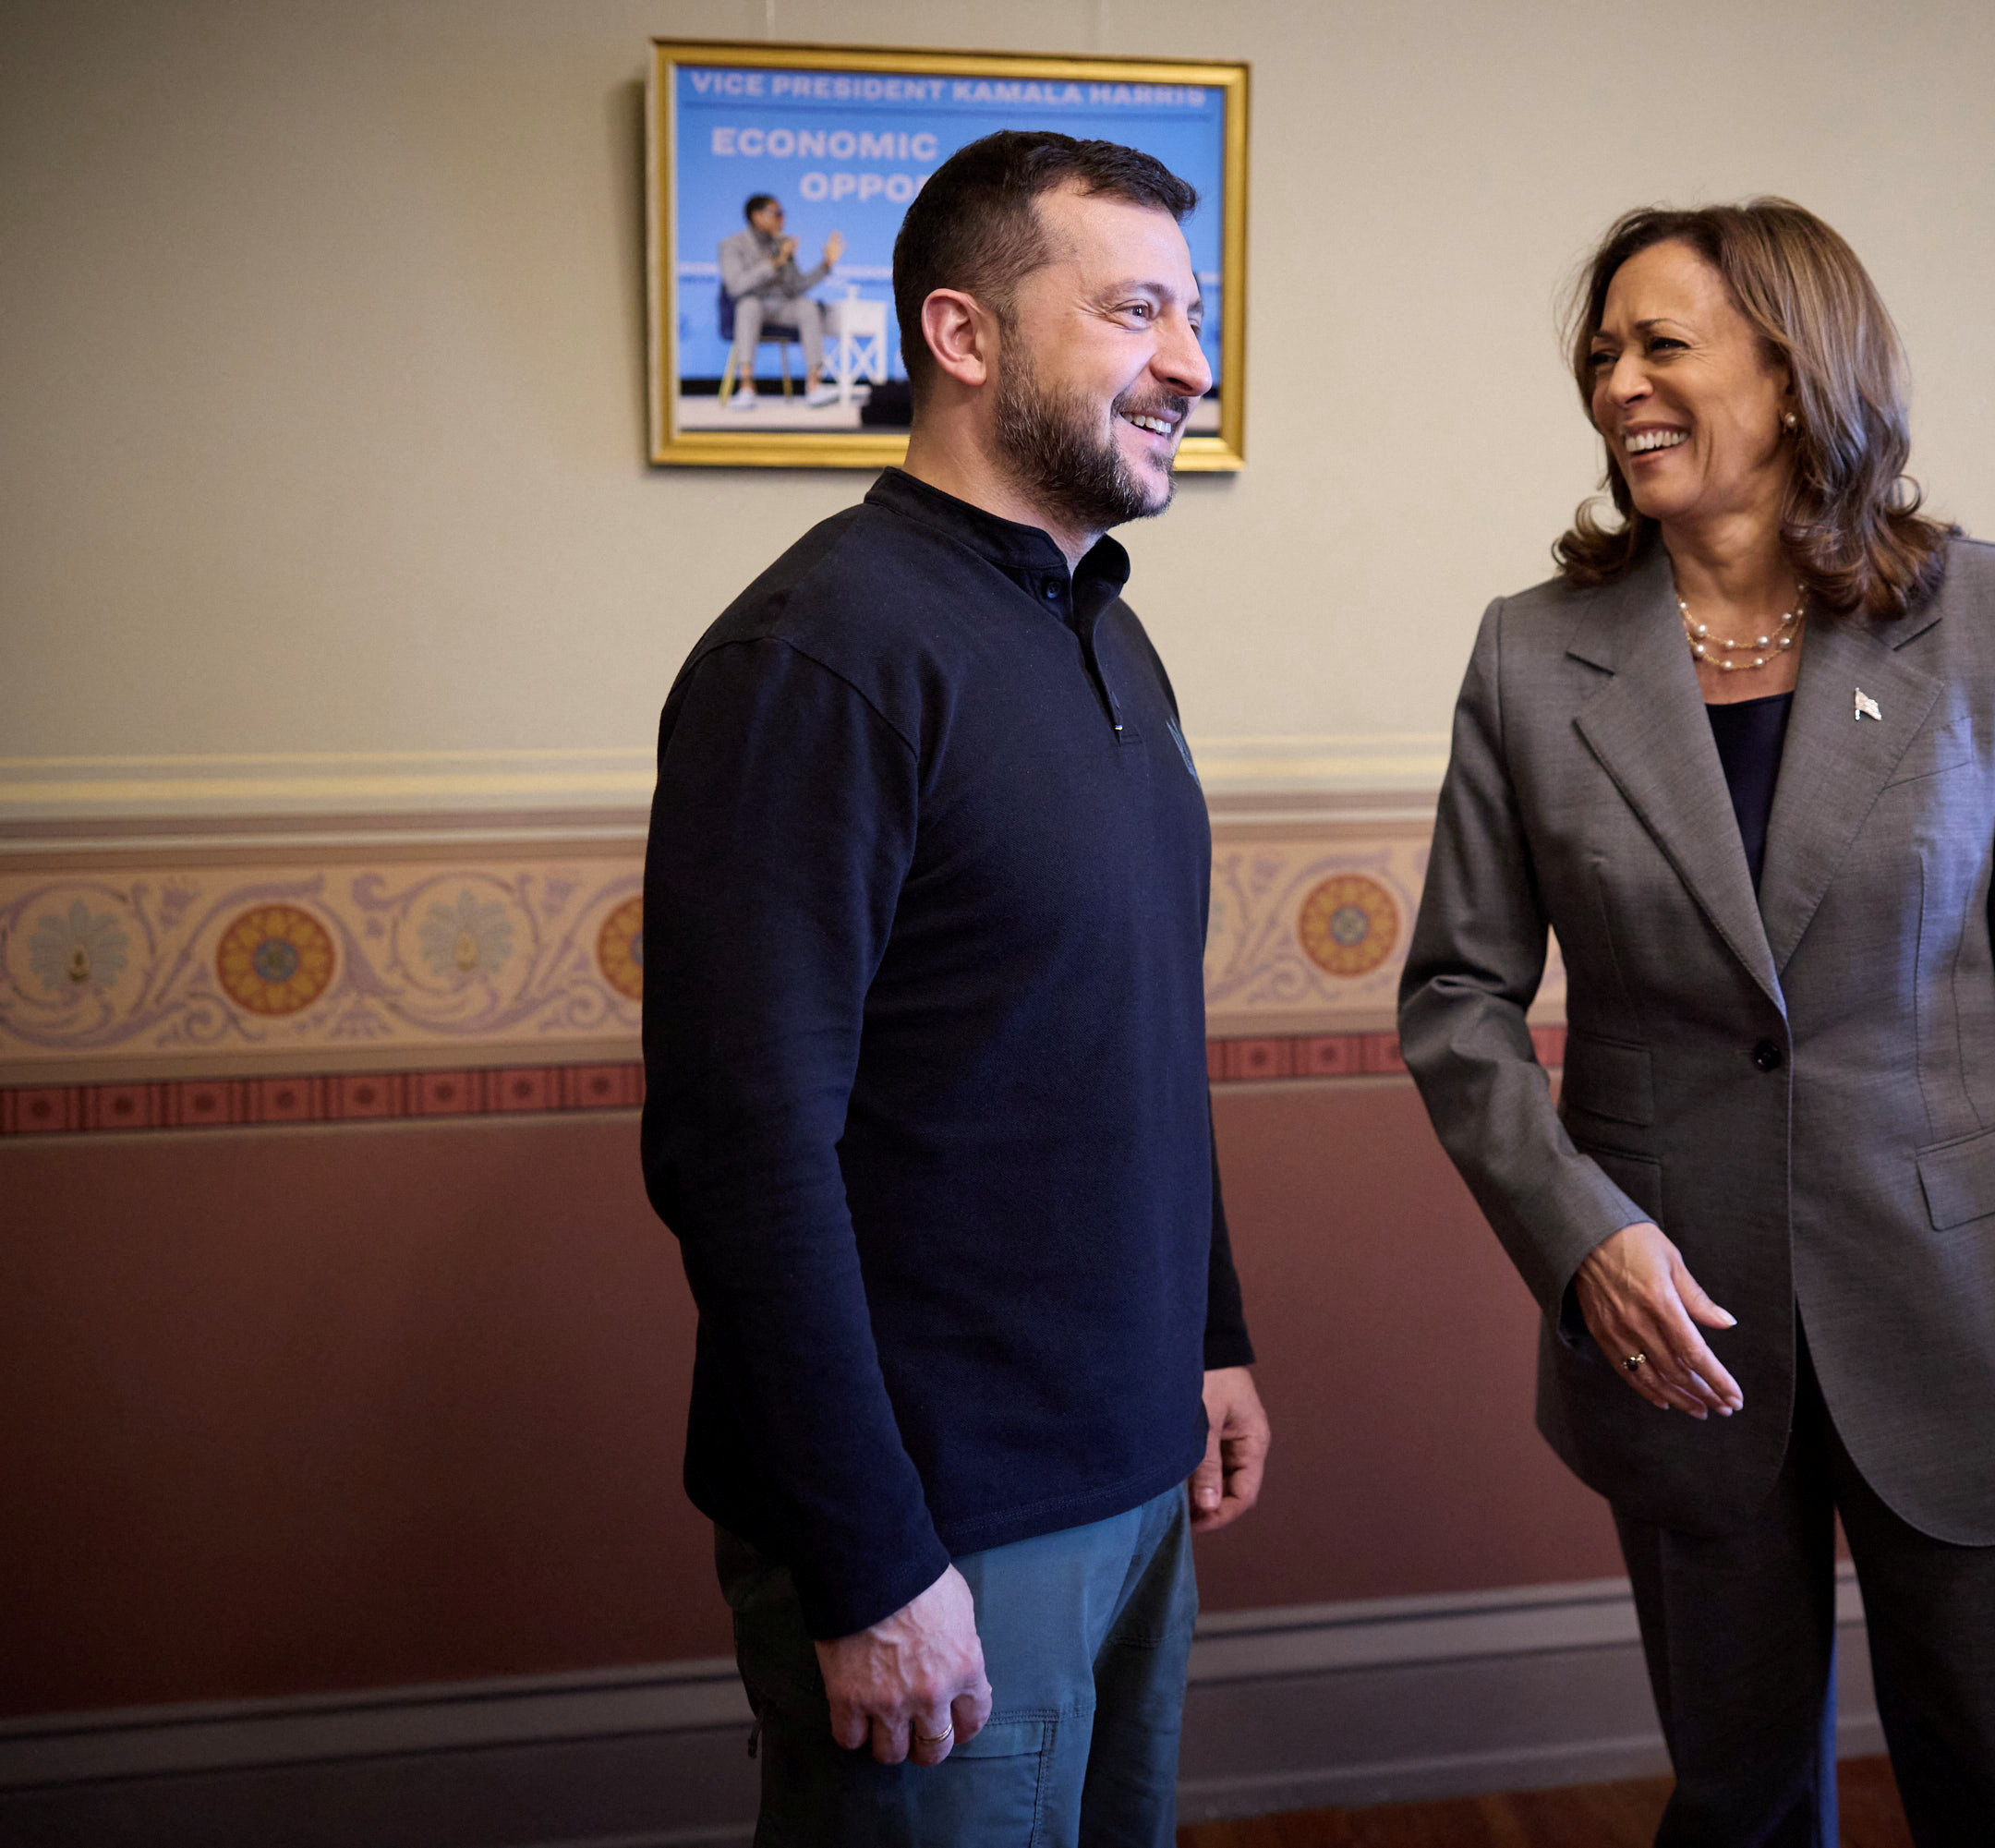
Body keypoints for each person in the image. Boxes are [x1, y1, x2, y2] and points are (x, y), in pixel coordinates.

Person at [1397, 199, 1995, 1848]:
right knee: (1741, 1804)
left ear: (1794, 366)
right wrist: (1581, 1238)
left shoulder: (1989, 617)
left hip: (1964, 1314)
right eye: (1601, 355)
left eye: (1661, 345)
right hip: (1679, 1324)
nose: (1620, 385)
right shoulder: (1531, 657)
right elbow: (1457, 1001)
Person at [643, 131, 1269, 1846]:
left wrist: (1206, 1338)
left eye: (1193, 313)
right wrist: (868, 1558)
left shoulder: (1101, 624)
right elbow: (740, 1149)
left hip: (1135, 1474)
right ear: (962, 335)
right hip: (939, 1523)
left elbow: (1126, 1031)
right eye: (1137, 309)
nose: (1192, 365)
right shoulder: (820, 658)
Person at [719, 192, 845, 410]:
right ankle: (747, 387)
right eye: (776, 214)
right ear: (757, 217)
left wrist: (825, 265)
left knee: (807, 307)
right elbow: (736, 287)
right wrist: (775, 263)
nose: (782, 219)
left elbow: (796, 287)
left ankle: (814, 386)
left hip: (781, 307)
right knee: (748, 306)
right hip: (752, 306)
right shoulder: (732, 245)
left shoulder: (783, 243)